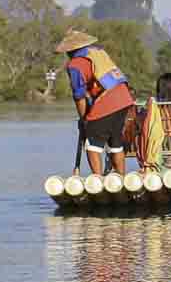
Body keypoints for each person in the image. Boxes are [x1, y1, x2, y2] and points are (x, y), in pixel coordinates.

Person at [55, 29, 137, 176]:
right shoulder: (98, 52)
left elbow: (79, 97)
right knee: (115, 143)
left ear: (70, 50)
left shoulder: (75, 65)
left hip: (107, 100)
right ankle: (121, 177)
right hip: (125, 98)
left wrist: (84, 119)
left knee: (92, 145)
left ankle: (97, 179)